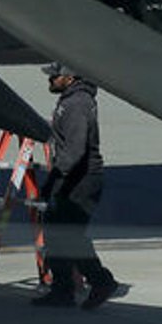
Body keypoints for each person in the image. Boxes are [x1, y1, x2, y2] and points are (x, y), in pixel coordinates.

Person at [32, 63, 119, 310]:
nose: (50, 80)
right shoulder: (70, 99)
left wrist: (59, 180)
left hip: (81, 180)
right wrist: (51, 183)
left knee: (69, 235)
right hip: (70, 177)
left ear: (70, 78)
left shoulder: (77, 103)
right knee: (56, 232)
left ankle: (101, 281)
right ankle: (62, 291)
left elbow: (76, 150)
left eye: (54, 76)